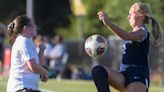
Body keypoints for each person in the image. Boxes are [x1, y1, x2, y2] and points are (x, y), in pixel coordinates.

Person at [92, 2, 161, 92]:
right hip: (123, 76)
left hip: (138, 78)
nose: (128, 17)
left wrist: (108, 23)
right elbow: (126, 35)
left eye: (131, 13)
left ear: (141, 15)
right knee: (98, 71)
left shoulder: (142, 32)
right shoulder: (133, 33)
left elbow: (126, 36)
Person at [6, 15, 48, 92]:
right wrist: (45, 72)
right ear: (25, 28)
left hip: (26, 87)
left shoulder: (27, 41)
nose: (35, 26)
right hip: (21, 87)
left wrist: (41, 50)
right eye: (32, 25)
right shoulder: (24, 41)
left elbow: (37, 65)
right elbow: (33, 67)